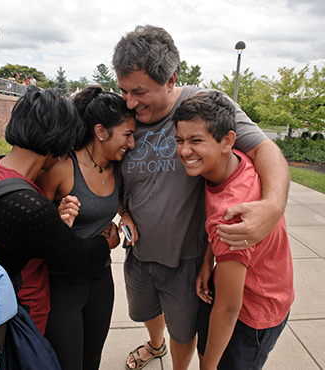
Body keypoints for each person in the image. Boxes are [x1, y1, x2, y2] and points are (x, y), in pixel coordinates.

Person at [112, 25, 290, 370]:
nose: (130, 102)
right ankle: (155, 344)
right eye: (123, 90)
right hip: (140, 253)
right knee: (147, 310)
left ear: (170, 79)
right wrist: (120, 212)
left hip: (186, 258)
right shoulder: (122, 115)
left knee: (186, 330)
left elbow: (265, 149)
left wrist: (273, 206)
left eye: (139, 91)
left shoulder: (204, 108)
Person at [0, 86, 120, 336]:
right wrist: (109, 243)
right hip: (23, 314)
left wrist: (53, 219)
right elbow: (81, 257)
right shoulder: (29, 206)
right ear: (58, 141)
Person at [173, 91, 294, 370]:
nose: (184, 151)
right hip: (233, 283)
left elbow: (228, 310)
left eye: (196, 141)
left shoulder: (231, 216)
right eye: (180, 140)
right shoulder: (230, 162)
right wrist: (208, 260)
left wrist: (208, 368)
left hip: (254, 310)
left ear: (227, 140)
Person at [37, 85, 136, 370]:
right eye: (127, 135)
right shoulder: (62, 167)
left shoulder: (117, 167)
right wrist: (57, 219)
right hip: (62, 284)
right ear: (101, 132)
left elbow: (118, 203)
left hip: (101, 279)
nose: (131, 144)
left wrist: (126, 215)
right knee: (69, 364)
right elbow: (35, 224)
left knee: (92, 358)